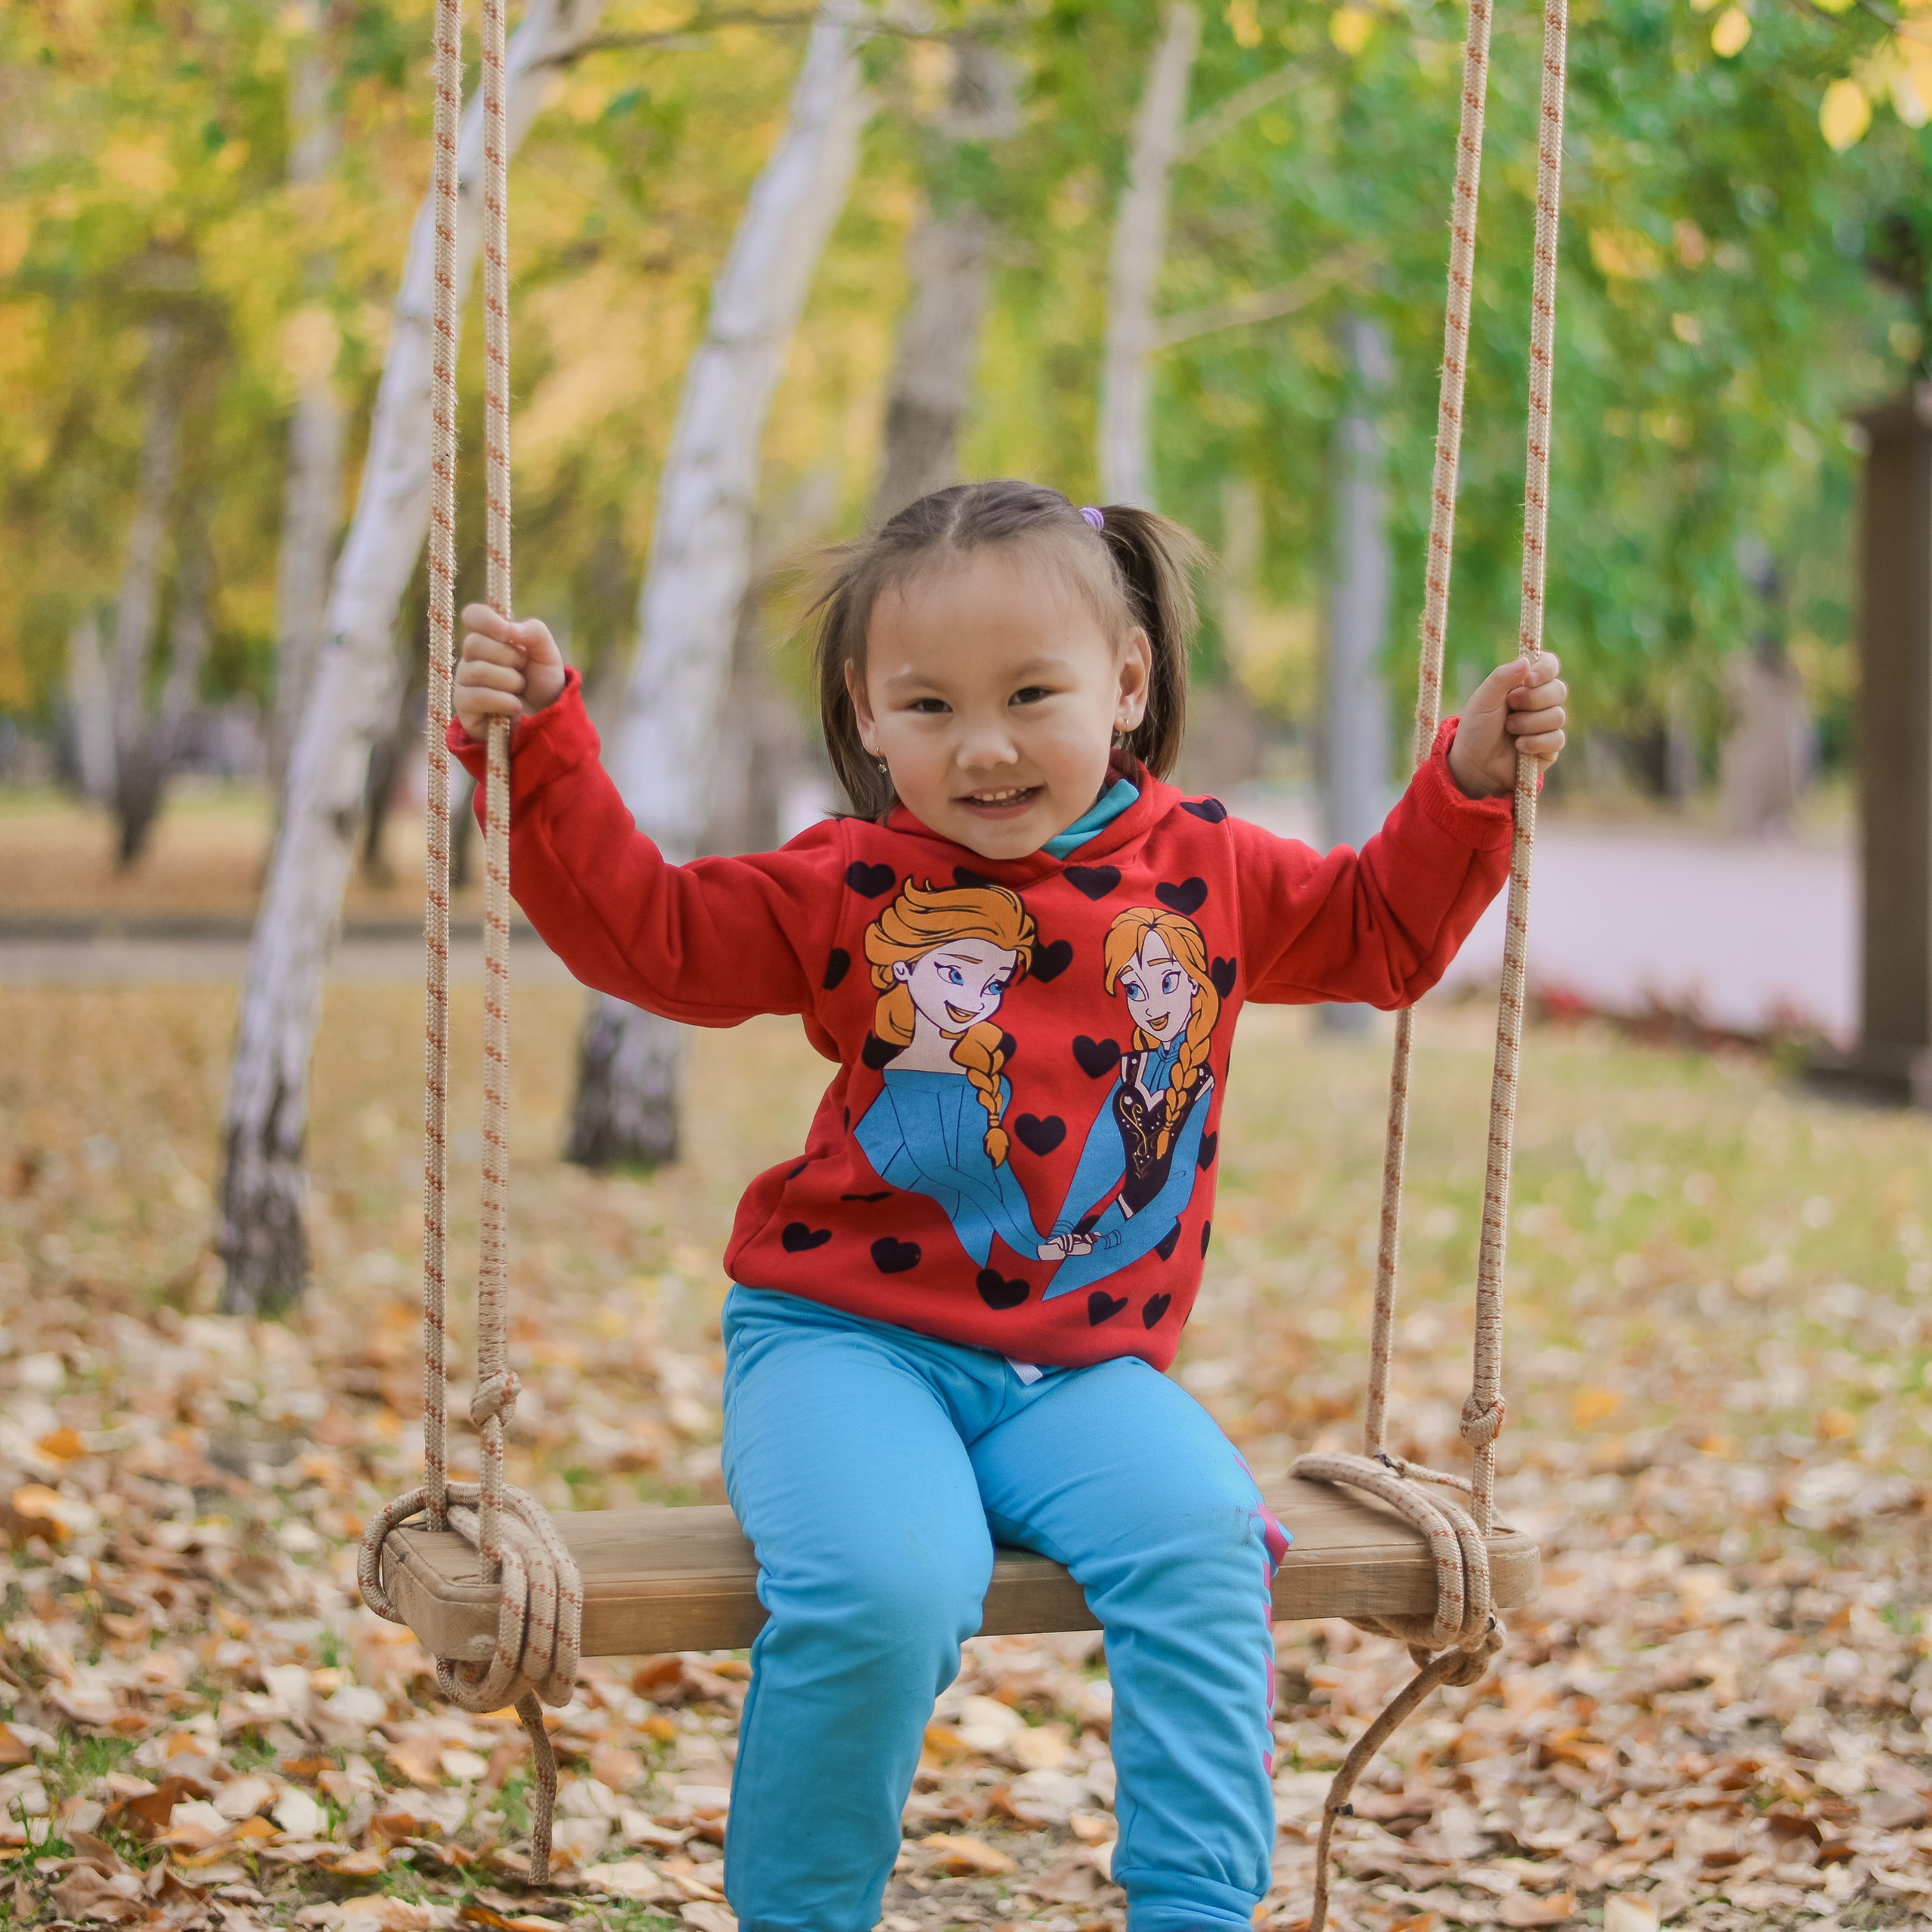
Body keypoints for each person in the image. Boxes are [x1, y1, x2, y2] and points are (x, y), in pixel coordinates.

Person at [451, 479, 1567, 1932]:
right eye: (928, 707)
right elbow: (650, 936)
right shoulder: (852, 886)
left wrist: (1467, 785)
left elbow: (1378, 934)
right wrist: (539, 746)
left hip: (1082, 1374)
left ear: (1126, 680)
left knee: (1207, 1541)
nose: (982, 747)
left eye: (1030, 694)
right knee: (889, 1589)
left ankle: (1193, 1911)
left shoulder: (1209, 873)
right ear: (863, 714)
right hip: (845, 1344)